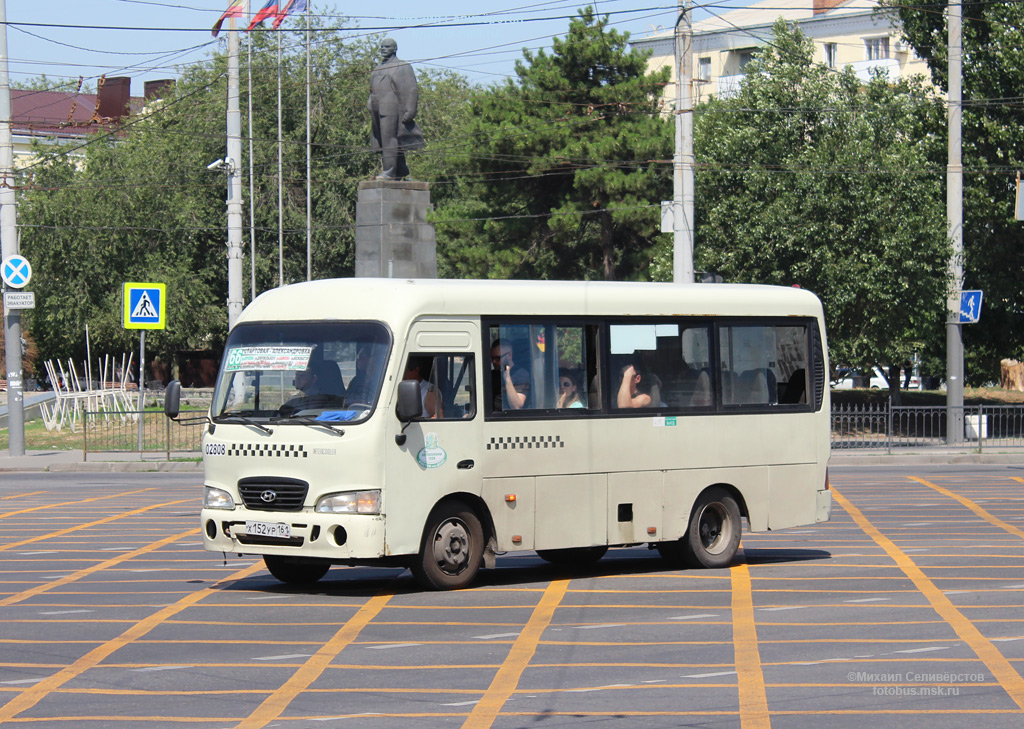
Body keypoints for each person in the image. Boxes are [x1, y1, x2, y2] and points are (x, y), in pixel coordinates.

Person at [367, 37, 425, 180]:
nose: (383, 49)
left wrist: (410, 110)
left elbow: (411, 88)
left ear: (394, 49)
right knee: (383, 140)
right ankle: (400, 170)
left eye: (386, 47)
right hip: (377, 109)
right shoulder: (378, 68)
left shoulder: (402, 66)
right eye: (381, 47)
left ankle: (389, 172)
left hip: (392, 108)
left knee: (389, 139)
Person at [280, 360, 346, 416]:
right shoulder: (294, 400)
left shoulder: (328, 402)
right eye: (297, 375)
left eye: (302, 375)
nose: (298, 379)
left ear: (314, 378)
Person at [491, 339, 530, 410]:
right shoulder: (491, 375)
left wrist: (507, 378)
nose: (494, 362)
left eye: (497, 358)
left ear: (509, 356)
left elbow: (516, 406)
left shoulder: (521, 375)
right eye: (492, 358)